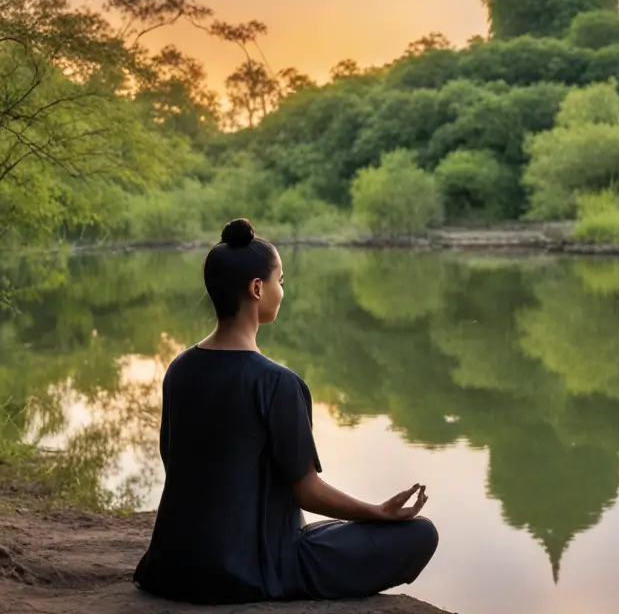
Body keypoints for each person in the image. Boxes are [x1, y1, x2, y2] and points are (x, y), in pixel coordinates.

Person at [133, 218, 438, 604]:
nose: (282, 290)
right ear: (257, 288)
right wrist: (377, 511)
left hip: (171, 564)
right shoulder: (277, 383)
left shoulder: (179, 368)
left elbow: (173, 461)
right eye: (281, 280)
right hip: (253, 569)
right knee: (420, 534)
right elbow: (306, 491)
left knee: (321, 531)